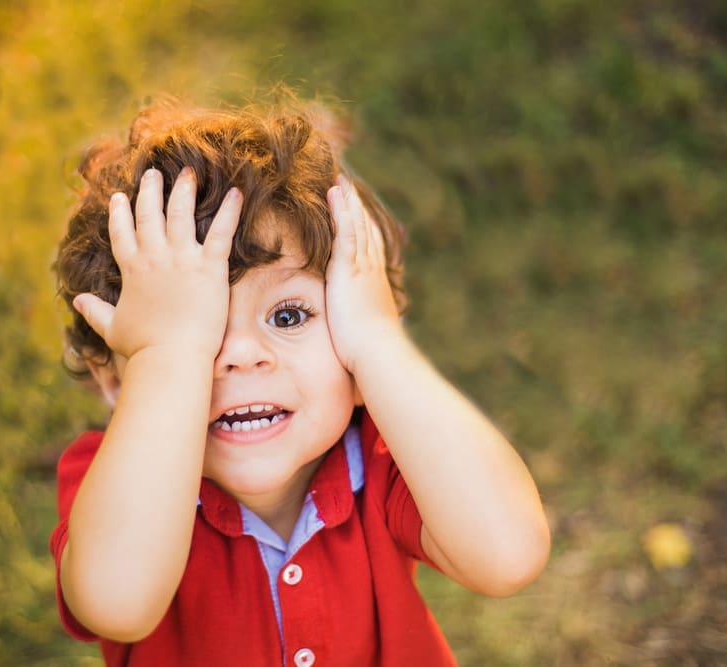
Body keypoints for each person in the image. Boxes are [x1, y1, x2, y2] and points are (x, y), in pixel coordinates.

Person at [50, 96, 550, 666]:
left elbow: (509, 554)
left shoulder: (385, 460)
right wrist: (166, 356)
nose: (239, 355)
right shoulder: (110, 481)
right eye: (200, 336)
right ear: (114, 382)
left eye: (288, 316)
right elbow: (115, 604)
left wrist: (379, 343)